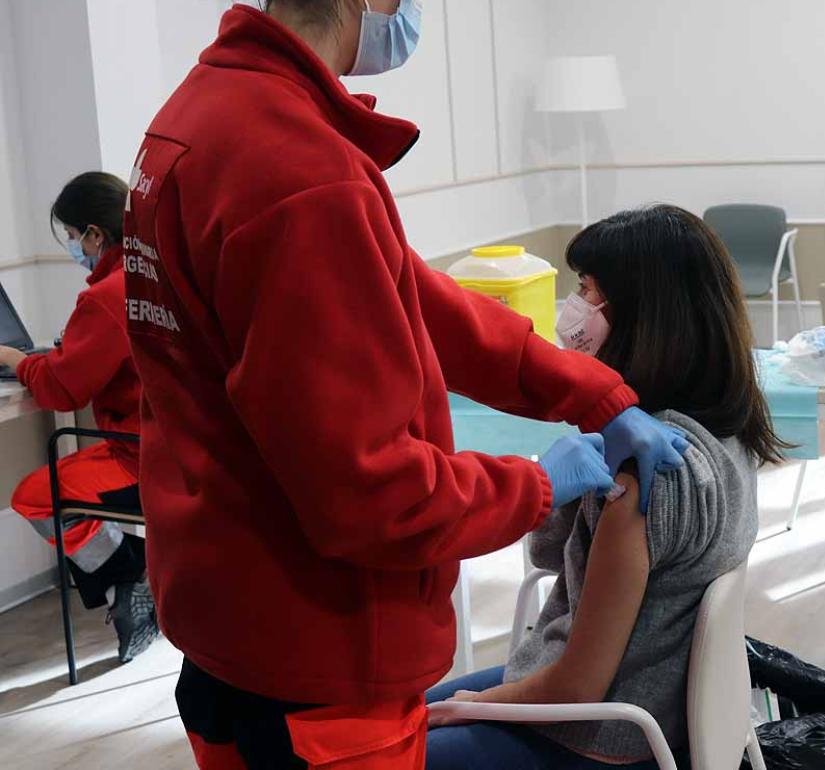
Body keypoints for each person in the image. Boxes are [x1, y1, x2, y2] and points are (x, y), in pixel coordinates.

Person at [121, 2, 685, 767]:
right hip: (320, 658)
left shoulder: (199, 115)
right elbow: (372, 492)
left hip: (227, 622)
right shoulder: (298, 170)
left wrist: (590, 390)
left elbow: (409, 294)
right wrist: (534, 487)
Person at [424, 204, 786, 769]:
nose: (573, 311)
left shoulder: (645, 474)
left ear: (643, 317)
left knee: (398, 739)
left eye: (587, 291)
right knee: (411, 714)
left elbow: (576, 687)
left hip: (600, 733)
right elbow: (553, 557)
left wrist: (469, 707)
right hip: (645, 713)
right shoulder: (726, 435)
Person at [0, 172, 157, 663]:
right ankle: (137, 579)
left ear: (95, 233)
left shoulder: (107, 296)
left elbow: (62, 391)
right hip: (183, 447)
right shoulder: (155, 272)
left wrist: (15, 360)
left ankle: (130, 574)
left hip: (142, 457)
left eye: (71, 237)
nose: (73, 246)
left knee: (34, 496)